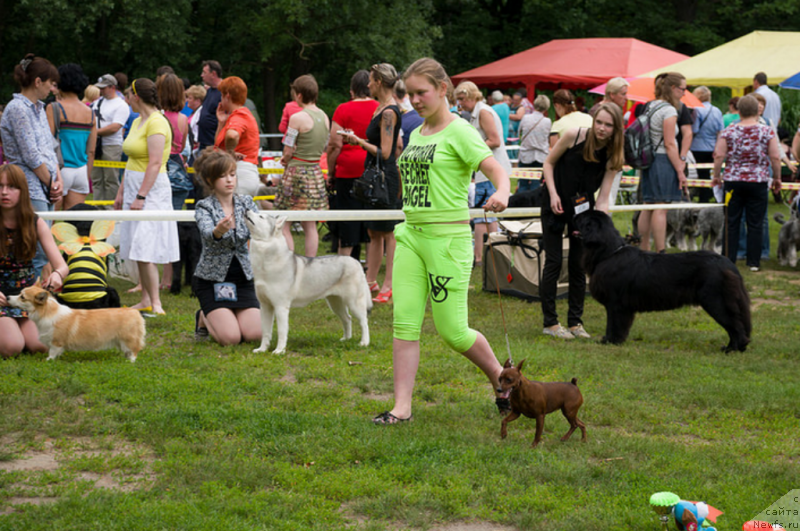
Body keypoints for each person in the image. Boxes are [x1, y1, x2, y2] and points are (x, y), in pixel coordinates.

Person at [372, 57, 510, 425]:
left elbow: (495, 167)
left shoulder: (461, 131)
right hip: (411, 237)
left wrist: (503, 191)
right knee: (404, 324)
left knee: (453, 331)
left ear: (443, 89)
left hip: (448, 241)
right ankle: (401, 408)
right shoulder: (416, 133)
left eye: (422, 93)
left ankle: (501, 377)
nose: (415, 100)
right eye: (410, 94)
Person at [540, 103, 624, 339]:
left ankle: (575, 322)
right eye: (599, 122)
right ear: (593, 120)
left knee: (579, 265)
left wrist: (600, 222)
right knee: (554, 262)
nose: (602, 128)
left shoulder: (613, 153)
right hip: (554, 202)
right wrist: (554, 194)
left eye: (608, 125)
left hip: (582, 209)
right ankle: (550, 323)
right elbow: (548, 163)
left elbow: (604, 196)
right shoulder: (573, 135)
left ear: (616, 128)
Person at [113, 78, 179, 315]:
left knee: (145, 246)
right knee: (135, 246)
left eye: (128, 95)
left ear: (136, 96)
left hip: (151, 190)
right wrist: (122, 192)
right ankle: (145, 299)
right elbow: (130, 160)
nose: (126, 99)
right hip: (132, 185)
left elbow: (154, 163)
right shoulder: (137, 121)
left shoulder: (157, 123)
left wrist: (141, 196)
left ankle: (156, 303)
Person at [343, 64, 403, 304]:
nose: (367, 85)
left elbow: (387, 152)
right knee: (373, 230)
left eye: (370, 80)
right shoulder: (379, 108)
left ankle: (389, 284)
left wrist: (358, 141)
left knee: (388, 231)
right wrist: (356, 138)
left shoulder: (389, 112)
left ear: (379, 81)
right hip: (373, 174)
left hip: (385, 176)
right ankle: (371, 281)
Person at [0, 54, 64, 278]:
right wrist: (51, 183)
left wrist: (56, 181)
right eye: (50, 83)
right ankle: (29, 302)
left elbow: (49, 147)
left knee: (44, 251)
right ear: (38, 81)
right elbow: (31, 155)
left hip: (44, 186)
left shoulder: (38, 108)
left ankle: (39, 301)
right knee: (35, 251)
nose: (52, 89)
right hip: (29, 186)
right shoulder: (17, 108)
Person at [192, 149, 262, 345]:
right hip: (212, 280)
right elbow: (207, 234)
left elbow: (260, 227)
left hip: (243, 278)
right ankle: (204, 317)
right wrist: (218, 231)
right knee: (230, 338)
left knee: (255, 335)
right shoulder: (204, 207)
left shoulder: (246, 202)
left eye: (232, 174)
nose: (229, 180)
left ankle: (228, 316)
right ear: (209, 180)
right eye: (222, 176)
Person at [0, 164, 68, 358]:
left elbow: (62, 265)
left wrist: (57, 275)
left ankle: (14, 329)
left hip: (26, 299)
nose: (5, 192)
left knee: (41, 346)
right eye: (0, 186)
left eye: (12, 187)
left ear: (23, 191)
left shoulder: (35, 222)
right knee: (11, 347)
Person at [712, 95, 781, 272]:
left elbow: (719, 155)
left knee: (732, 221)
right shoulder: (766, 131)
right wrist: (777, 178)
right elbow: (774, 156)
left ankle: (729, 259)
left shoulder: (729, 130)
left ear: (739, 111)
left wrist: (716, 175)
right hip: (758, 180)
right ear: (757, 110)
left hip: (733, 180)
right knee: (755, 222)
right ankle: (753, 262)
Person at [454, 80, 512, 267]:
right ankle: (485, 256)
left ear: (471, 96)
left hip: (490, 171)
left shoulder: (483, 112)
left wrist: (470, 150)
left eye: (462, 99)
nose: (460, 103)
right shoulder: (477, 112)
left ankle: (483, 257)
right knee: (484, 216)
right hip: (485, 171)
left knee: (484, 215)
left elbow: (494, 140)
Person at [275, 74, 330, 258]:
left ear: (298, 95)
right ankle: (310, 263)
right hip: (315, 172)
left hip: (296, 172)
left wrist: (284, 158)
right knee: (310, 225)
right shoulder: (324, 116)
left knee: (285, 223)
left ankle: (289, 262)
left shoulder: (297, 118)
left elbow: (288, 149)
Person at [326, 70, 377, 261]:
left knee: (347, 224)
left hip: (347, 172)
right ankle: (371, 275)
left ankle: (343, 269)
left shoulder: (342, 109)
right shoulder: (379, 108)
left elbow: (334, 144)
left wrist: (331, 173)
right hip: (372, 171)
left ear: (352, 90)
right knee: (373, 226)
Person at [637, 73, 688, 253]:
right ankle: (660, 251)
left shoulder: (650, 105)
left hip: (648, 159)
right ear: (673, 89)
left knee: (648, 205)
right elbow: (669, 143)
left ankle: (643, 248)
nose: (684, 93)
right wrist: (680, 170)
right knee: (661, 207)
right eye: (683, 88)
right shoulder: (669, 110)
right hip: (662, 160)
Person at [47, 63, 97, 210]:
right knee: (74, 225)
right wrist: (86, 175)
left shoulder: (54, 108)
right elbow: (91, 151)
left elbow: (47, 143)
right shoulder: (90, 113)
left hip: (60, 170)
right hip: (81, 170)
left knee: (51, 222)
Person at [213, 76, 261, 198]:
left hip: (239, 174)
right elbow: (218, 145)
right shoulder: (237, 116)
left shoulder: (239, 116)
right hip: (239, 174)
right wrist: (221, 123)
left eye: (221, 95)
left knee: (231, 215)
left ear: (227, 96)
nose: (220, 99)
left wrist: (229, 153)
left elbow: (232, 135)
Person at [91, 73, 130, 203]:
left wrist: (94, 132)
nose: (101, 90)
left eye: (103, 88)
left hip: (111, 145)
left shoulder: (121, 105)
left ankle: (111, 210)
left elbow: (115, 127)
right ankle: (97, 209)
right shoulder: (96, 103)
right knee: (96, 179)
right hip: (95, 145)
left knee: (110, 179)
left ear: (112, 87)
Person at [157, 73, 191, 210]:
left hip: (159, 166)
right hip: (177, 168)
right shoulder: (183, 119)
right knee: (174, 214)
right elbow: (181, 147)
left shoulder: (156, 117)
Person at [690, 86, 724, 203]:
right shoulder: (717, 110)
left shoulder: (697, 110)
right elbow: (720, 131)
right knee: (711, 173)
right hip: (713, 146)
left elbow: (694, 129)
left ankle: (704, 198)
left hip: (698, 146)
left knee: (702, 174)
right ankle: (714, 195)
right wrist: (718, 147)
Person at [516, 94, 552, 192]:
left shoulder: (525, 118)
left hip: (525, 154)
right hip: (540, 156)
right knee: (536, 183)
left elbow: (519, 132)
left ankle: (521, 205)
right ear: (546, 107)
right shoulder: (547, 121)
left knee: (522, 182)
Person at [196, 60, 223, 152]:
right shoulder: (210, 91)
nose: (201, 75)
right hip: (204, 143)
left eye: (204, 72)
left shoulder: (223, 92)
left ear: (213, 74)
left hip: (214, 144)